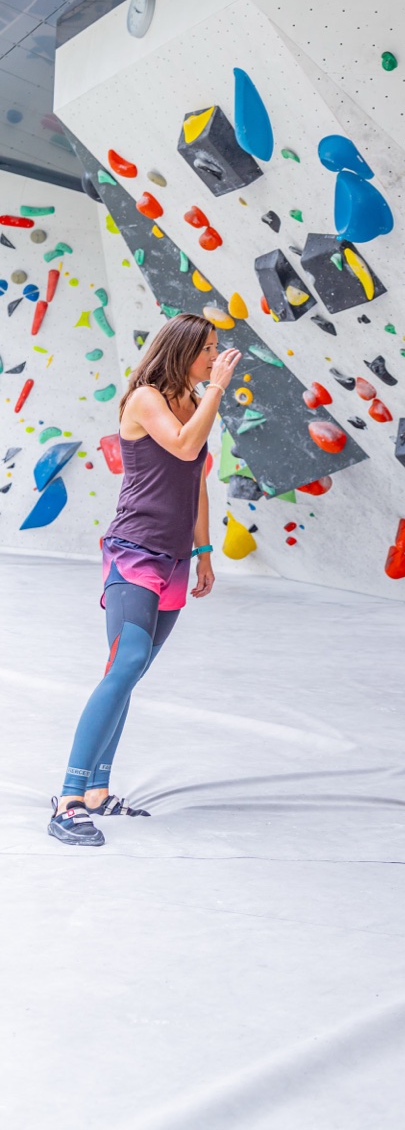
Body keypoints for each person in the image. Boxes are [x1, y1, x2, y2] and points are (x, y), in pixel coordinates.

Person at [47, 314, 237, 847]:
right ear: (182, 350)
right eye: (207, 350)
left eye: (215, 350)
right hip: (134, 553)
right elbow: (180, 446)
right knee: (125, 661)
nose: (212, 359)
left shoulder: (194, 402)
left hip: (176, 558)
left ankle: (98, 793)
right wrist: (217, 389)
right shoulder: (147, 399)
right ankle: (67, 798)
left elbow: (195, 475)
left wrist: (203, 552)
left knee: (133, 671)